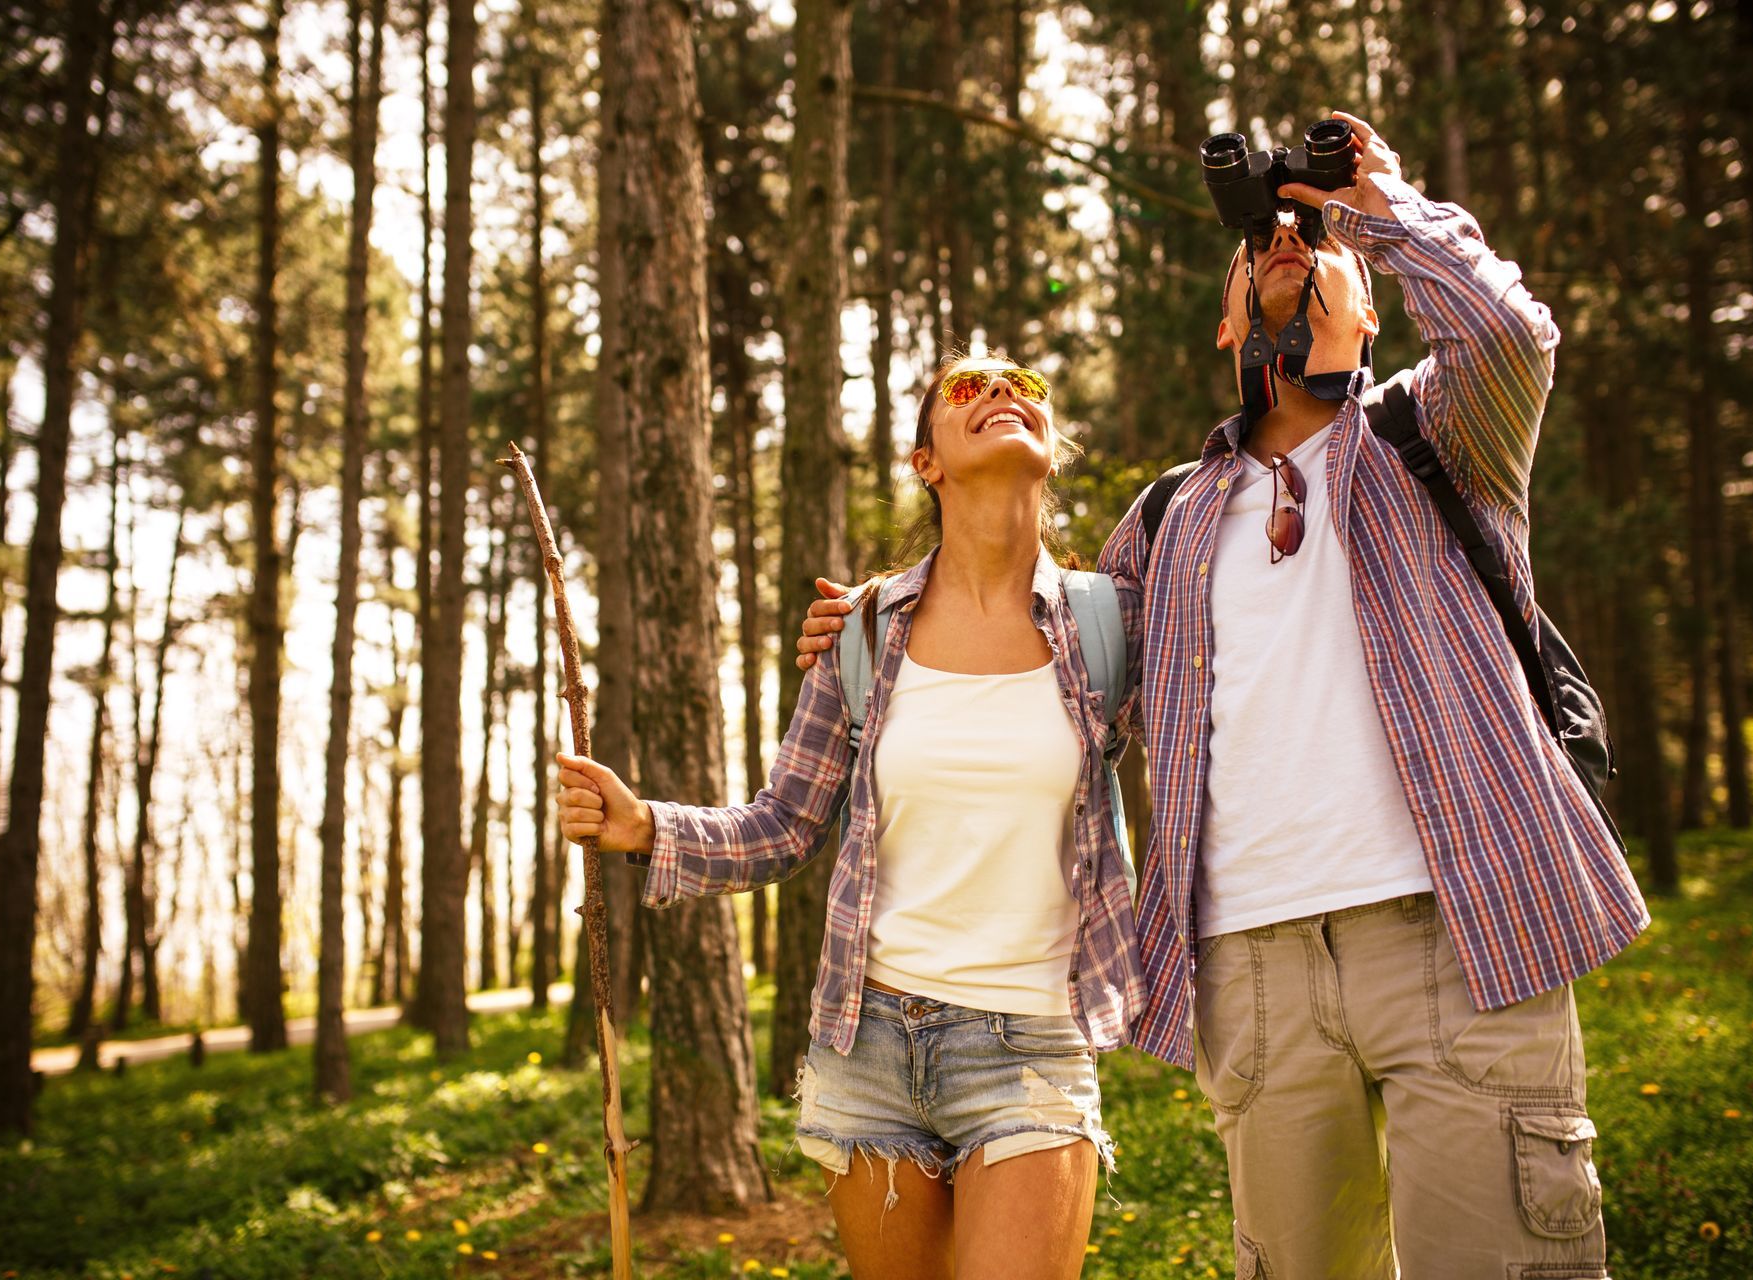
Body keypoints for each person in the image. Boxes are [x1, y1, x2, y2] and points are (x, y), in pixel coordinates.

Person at [793, 112, 1648, 1279]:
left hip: (1458, 933)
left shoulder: (1443, 438)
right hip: (1250, 970)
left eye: (1315, 244)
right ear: (1226, 324)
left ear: (1371, 305)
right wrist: (881, 615)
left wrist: (1373, 205)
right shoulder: (1167, 519)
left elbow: (1507, 328)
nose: (1286, 243)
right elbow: (1037, 652)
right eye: (1261, 243)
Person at [557, 353, 1145, 1280]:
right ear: (925, 463)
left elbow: (1207, 762)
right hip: (866, 1046)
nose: (1001, 393)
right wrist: (647, 828)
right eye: (967, 388)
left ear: (1053, 443)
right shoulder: (866, 631)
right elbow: (784, 825)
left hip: (1032, 1042)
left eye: (1025, 385)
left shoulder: (1112, 624)